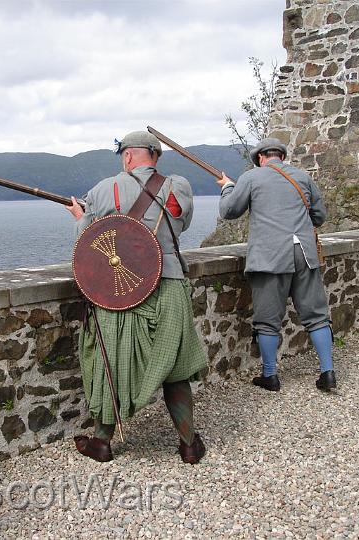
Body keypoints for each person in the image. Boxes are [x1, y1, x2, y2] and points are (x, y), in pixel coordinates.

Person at [65, 131, 208, 463]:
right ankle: (188, 444)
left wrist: (80, 218)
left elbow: (89, 241)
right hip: (169, 284)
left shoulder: (104, 189)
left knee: (110, 363)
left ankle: (102, 442)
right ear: (155, 156)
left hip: (121, 294)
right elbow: (181, 224)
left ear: (127, 156)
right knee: (175, 367)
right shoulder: (179, 186)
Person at [216, 138, 336, 392]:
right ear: (281, 156)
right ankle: (328, 372)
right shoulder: (303, 177)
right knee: (316, 316)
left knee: (268, 319)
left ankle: (270, 375)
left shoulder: (252, 177)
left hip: (270, 256)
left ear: (260, 157)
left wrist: (228, 187)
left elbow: (229, 210)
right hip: (304, 253)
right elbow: (319, 216)